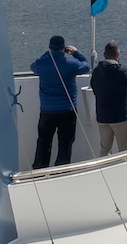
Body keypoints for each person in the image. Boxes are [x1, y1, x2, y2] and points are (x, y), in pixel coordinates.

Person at [29, 34, 89, 169]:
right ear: (64, 48)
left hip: (47, 110)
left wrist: (48, 54)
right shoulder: (71, 64)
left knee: (44, 141)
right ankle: (61, 170)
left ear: (50, 48)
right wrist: (76, 53)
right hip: (67, 110)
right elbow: (86, 66)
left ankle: (40, 169)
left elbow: (33, 66)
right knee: (65, 143)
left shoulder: (42, 64)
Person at [90, 42, 127, 154]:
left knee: (105, 149)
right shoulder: (120, 71)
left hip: (103, 116)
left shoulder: (97, 71)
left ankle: (103, 170)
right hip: (120, 117)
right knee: (124, 151)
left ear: (104, 54)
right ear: (118, 55)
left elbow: (94, 88)